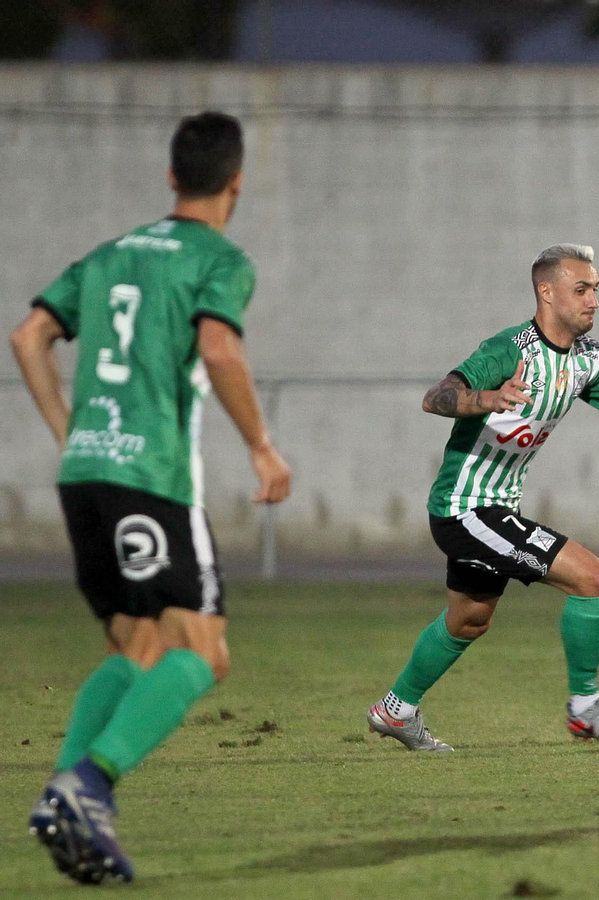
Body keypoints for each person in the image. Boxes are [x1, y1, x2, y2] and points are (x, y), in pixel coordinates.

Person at [15, 111, 293, 882]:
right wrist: (262, 446)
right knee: (203, 653)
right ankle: (88, 783)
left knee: (135, 645)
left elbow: (28, 336)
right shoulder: (220, 258)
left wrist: (69, 430)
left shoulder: (108, 255)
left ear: (172, 177)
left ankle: (63, 800)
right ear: (235, 184)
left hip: (85, 474)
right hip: (152, 480)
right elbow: (217, 345)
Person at [366, 243, 599, 751]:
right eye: (582, 289)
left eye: (596, 290)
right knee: (591, 577)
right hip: (465, 508)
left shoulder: (588, 361)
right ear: (546, 292)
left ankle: (395, 711)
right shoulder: (510, 350)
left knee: (470, 619)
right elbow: (435, 396)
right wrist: (486, 398)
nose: (594, 300)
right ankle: (585, 708)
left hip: (497, 508)